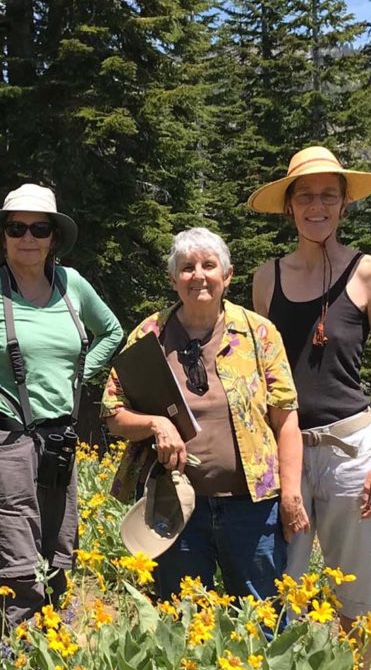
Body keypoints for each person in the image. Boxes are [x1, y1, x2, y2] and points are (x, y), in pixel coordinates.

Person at [249, 146, 371, 670]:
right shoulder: (266, 279)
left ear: (343, 204)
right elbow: (260, 376)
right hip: (284, 453)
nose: (318, 206)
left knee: (357, 594)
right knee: (276, 585)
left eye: (329, 196)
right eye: (306, 196)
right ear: (289, 207)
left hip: (349, 449)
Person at [103, 227, 308, 604]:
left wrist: (291, 495)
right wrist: (156, 423)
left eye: (209, 265)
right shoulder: (150, 334)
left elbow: (286, 419)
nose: (198, 275)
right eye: (187, 267)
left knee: (260, 617)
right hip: (176, 503)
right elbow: (113, 413)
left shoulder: (259, 333)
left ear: (227, 276)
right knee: (181, 616)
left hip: (253, 505)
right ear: (172, 278)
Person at [0, 185, 123, 633]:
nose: (28, 237)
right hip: (5, 438)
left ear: (53, 237)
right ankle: (17, 667)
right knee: (15, 563)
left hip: (60, 439)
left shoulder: (71, 283)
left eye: (40, 228)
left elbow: (111, 332)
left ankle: (54, 650)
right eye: (17, 228)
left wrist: (80, 376)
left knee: (60, 553)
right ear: (3, 236)